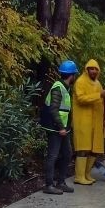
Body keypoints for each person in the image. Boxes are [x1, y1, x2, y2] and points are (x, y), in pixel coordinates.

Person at [40, 60, 78, 194]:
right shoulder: (58, 87)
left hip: (63, 128)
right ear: (72, 75)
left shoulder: (65, 88)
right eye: (75, 74)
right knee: (53, 155)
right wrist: (61, 127)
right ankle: (49, 185)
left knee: (67, 154)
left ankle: (61, 182)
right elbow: (53, 109)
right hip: (55, 128)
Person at [72, 59, 105, 186]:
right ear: (86, 69)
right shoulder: (80, 82)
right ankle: (79, 176)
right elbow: (81, 99)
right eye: (91, 68)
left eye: (95, 69)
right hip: (83, 121)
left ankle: (87, 174)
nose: (93, 71)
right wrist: (98, 95)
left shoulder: (98, 83)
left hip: (96, 121)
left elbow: (102, 102)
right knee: (83, 149)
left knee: (94, 149)